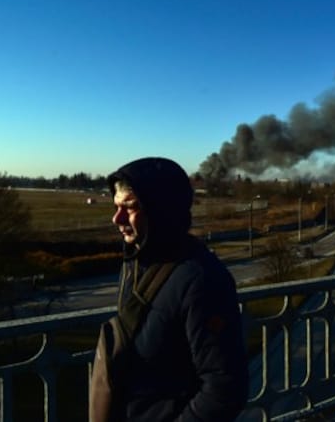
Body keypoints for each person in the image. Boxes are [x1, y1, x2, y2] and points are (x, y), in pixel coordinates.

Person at [106, 157, 248, 421]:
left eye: (131, 207)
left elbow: (224, 389)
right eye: (116, 207)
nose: (117, 218)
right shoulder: (137, 263)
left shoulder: (203, 280)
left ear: (162, 211)